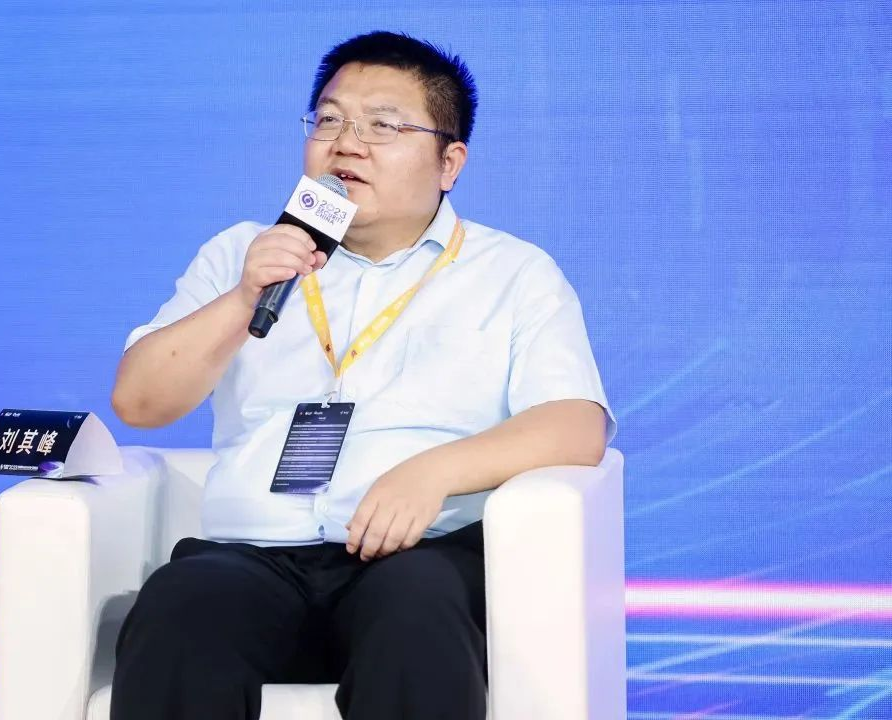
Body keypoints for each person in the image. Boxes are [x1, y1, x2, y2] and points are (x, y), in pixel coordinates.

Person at [109, 30, 614, 720]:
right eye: (329, 121)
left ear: (449, 162)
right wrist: (243, 298)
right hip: (251, 556)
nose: (347, 144)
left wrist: (433, 472)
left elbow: (576, 424)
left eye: (383, 126)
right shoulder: (242, 255)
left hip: (419, 557)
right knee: (180, 607)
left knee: (416, 616)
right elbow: (140, 402)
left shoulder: (512, 273)